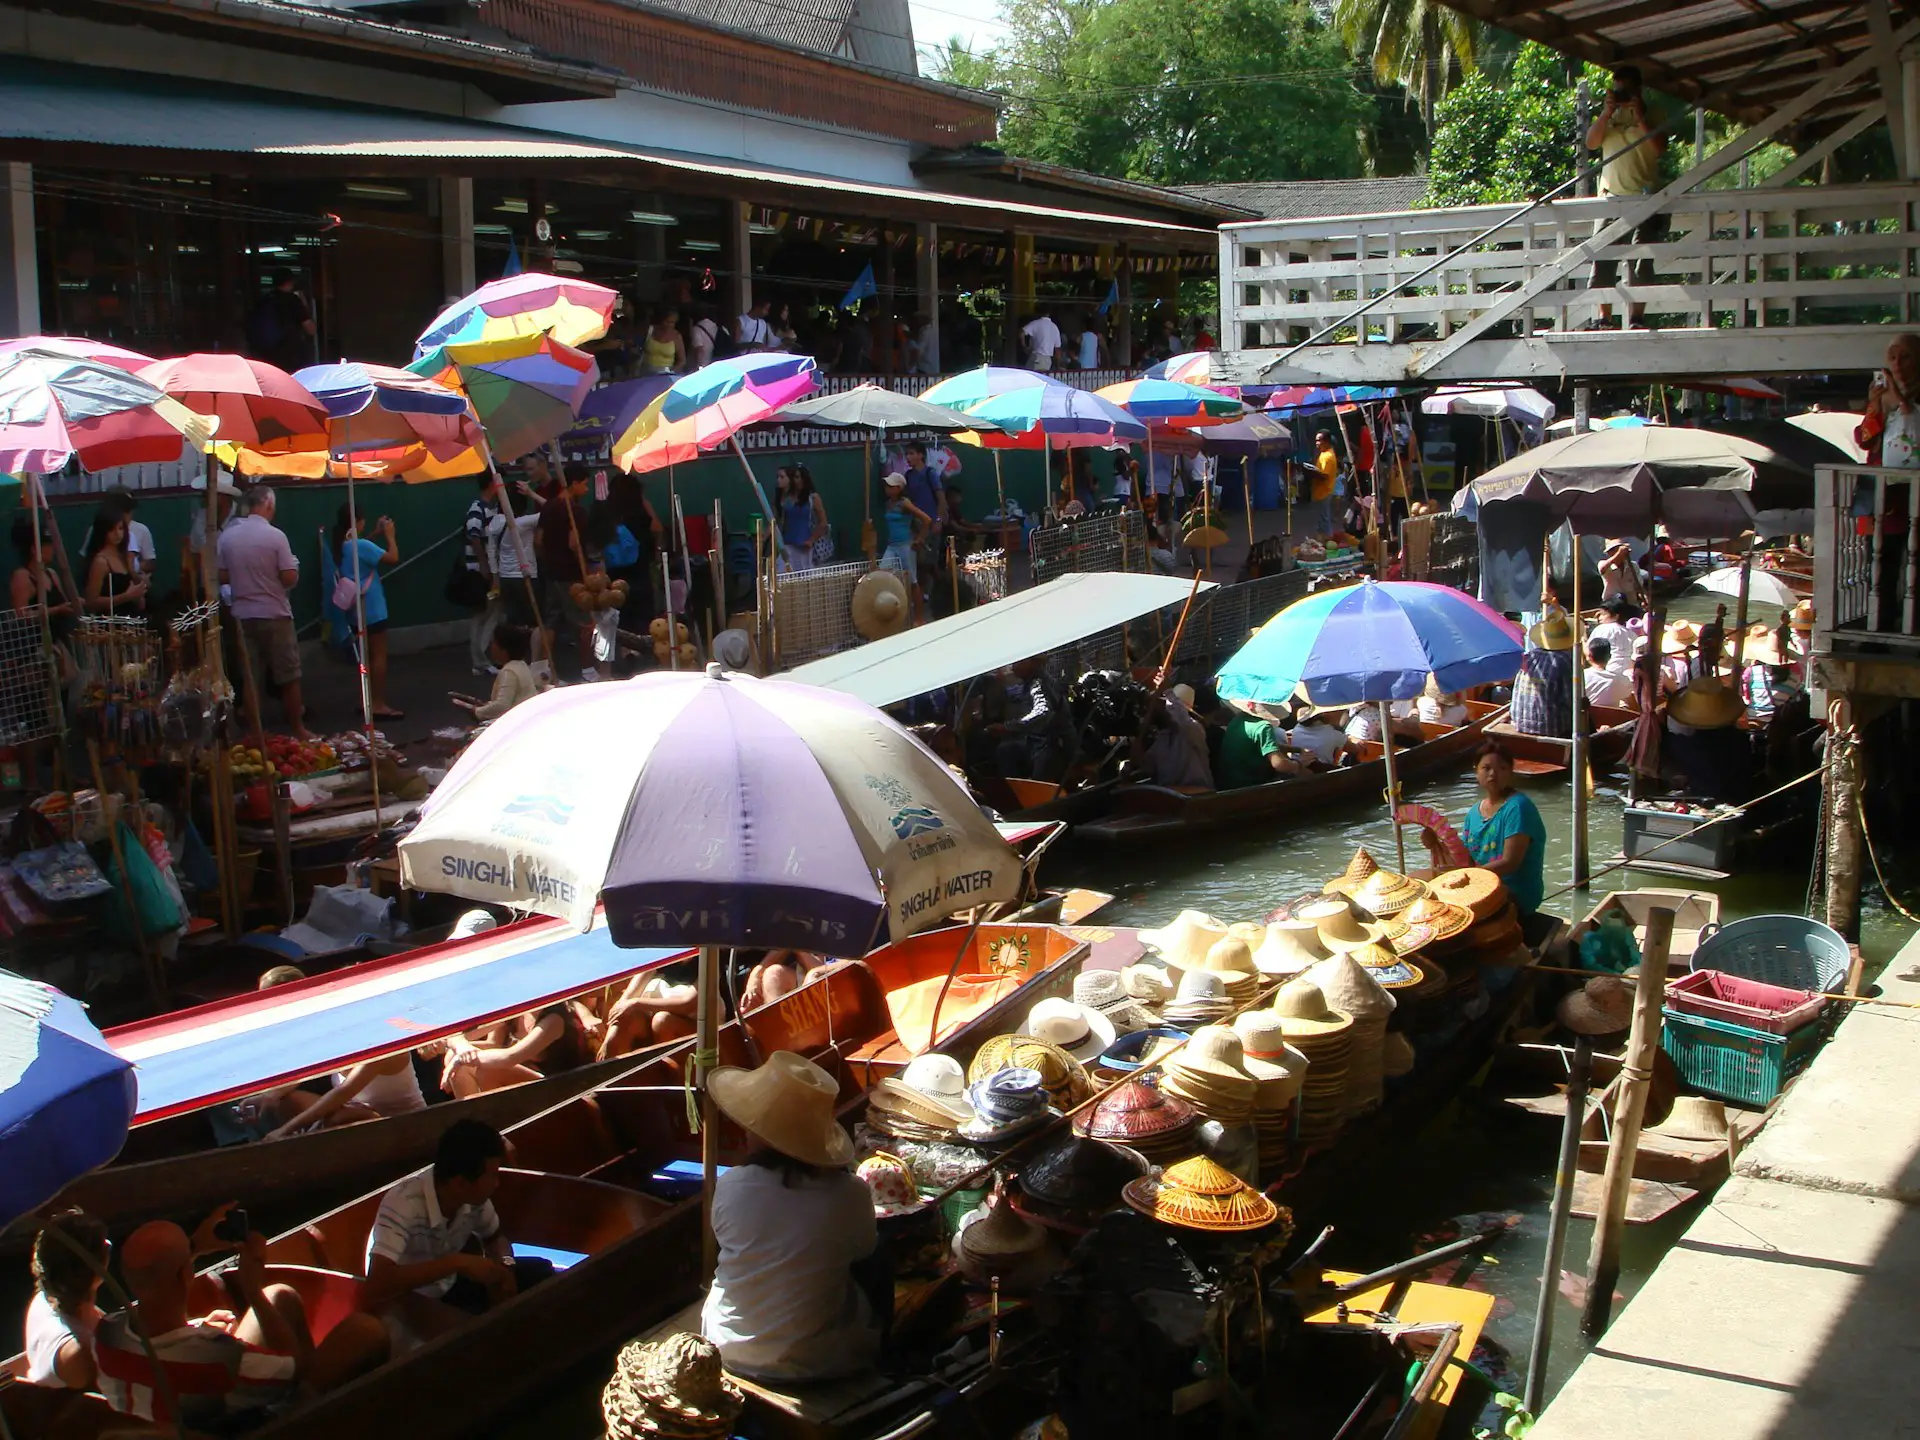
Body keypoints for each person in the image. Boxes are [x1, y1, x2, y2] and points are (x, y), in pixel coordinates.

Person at [94, 1206, 387, 1425]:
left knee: (280, 1296)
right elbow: (295, 1367)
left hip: (173, 1415)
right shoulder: (219, 1359)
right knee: (366, 1332)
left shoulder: (107, 1332)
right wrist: (252, 1290)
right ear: (187, 1275)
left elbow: (164, 1316)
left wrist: (194, 1249)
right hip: (242, 1429)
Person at [701, 1051, 882, 1381]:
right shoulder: (851, 1193)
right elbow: (865, 1253)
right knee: (875, 1263)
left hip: (726, 1347)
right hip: (816, 1363)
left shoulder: (731, 1185)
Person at [363, 1121, 545, 1344]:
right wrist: (456, 1263)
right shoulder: (403, 1204)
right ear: (460, 1183)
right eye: (493, 1176)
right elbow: (378, 1282)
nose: (497, 1184)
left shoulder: (474, 1198)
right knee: (474, 1333)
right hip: (410, 1300)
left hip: (449, 1285)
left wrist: (505, 1267)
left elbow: (495, 1237)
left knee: (541, 1272)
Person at [219, 485, 310, 739]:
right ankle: (298, 728)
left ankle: (255, 732)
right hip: (274, 612)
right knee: (288, 674)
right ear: (268, 504)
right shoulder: (275, 536)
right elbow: (289, 576)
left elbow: (222, 574)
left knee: (250, 676)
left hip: (242, 613)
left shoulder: (228, 537)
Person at [1584, 66, 1667, 330]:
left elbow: (1659, 148)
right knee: (1603, 258)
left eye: (1627, 89)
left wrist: (1639, 115)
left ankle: (1636, 319)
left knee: (1640, 262)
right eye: (1618, 89)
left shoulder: (1652, 114)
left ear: (1639, 89)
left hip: (1645, 196)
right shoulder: (1609, 116)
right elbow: (1591, 143)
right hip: (1611, 196)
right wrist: (1607, 112)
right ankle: (1604, 318)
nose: (1622, 94)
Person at [1461, 741, 1549, 915]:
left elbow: (1510, 863)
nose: (1493, 774)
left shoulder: (1518, 807)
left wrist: (1470, 878)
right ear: (1476, 772)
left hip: (1515, 894)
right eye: (1486, 768)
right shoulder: (1473, 813)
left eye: (1501, 768)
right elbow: (1465, 858)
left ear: (1510, 773)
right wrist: (1436, 844)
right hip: (1480, 887)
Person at [24, 1210, 108, 1390]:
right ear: (95, 1270)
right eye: (105, 1247)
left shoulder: (43, 1299)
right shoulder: (79, 1355)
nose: (108, 1246)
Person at [263, 1047, 425, 1141]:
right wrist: (268, 1097)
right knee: (290, 1100)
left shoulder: (386, 1048)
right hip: (354, 1118)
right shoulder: (334, 1042)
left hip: (401, 1127)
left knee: (341, 1117)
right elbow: (302, 1073)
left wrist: (285, 1130)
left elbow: (343, 1092)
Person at [333, 505, 403, 720]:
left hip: (355, 610)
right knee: (378, 656)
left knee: (364, 658)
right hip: (372, 608)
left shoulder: (342, 545)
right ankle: (378, 704)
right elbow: (393, 557)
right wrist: (390, 536)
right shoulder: (361, 545)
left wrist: (375, 533)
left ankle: (365, 699)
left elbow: (363, 550)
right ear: (359, 521)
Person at [438, 1001, 593, 1097]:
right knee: (453, 1054)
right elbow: (458, 1036)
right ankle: (470, 1119)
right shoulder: (516, 1010)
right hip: (523, 1086)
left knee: (490, 1068)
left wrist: (462, 1058)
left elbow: (509, 1057)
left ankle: (491, 1121)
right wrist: (460, 1048)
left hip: (559, 1089)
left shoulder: (555, 1019)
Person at [537, 463, 597, 682]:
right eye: (584, 484)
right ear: (574, 483)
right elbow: (573, 544)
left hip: (551, 573)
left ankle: (548, 672)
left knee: (550, 622)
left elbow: (538, 541)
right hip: (571, 575)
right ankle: (588, 670)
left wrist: (549, 559)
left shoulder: (549, 507)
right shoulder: (576, 511)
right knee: (584, 623)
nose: (587, 489)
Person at [991, 657, 1070, 782]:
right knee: (1005, 750)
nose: (1014, 665)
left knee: (1043, 768)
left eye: (1020, 661)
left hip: (1049, 744)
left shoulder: (1039, 684)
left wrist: (1008, 727)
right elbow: (1014, 694)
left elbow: (1041, 713)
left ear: (1033, 663)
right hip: (1032, 742)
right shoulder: (1027, 684)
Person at [600, 957, 700, 1055]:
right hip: (650, 1020)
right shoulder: (659, 951)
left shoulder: (711, 956)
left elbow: (686, 1003)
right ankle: (609, 1065)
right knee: (627, 1018)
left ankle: (668, 1067)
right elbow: (624, 1002)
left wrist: (636, 1004)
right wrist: (608, 1040)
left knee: (662, 1021)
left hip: (694, 1027)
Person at [1132, 684, 1213, 791]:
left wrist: (1166, 689)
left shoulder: (1193, 730)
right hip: (1171, 800)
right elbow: (1146, 767)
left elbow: (1180, 717)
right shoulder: (1160, 741)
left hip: (1198, 797)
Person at [453, 623, 539, 722]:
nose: (491, 646)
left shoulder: (509, 672)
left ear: (504, 650)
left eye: (494, 643)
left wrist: (477, 711)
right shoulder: (521, 665)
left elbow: (502, 705)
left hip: (516, 721)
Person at [462, 474, 503, 676]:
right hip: (480, 571)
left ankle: (482, 658)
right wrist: (484, 564)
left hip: (488, 569)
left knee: (490, 611)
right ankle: (480, 660)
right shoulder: (478, 507)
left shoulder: (491, 507)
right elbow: (474, 535)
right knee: (482, 613)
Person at [1512, 608, 1576, 738]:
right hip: (1552, 728)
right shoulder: (1564, 660)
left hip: (1519, 722)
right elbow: (1571, 701)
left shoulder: (1529, 656)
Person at [1861, 334, 1920, 469]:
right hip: (1884, 474)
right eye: (1892, 358)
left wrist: (1901, 400)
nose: (1897, 363)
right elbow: (1866, 442)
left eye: (1905, 357)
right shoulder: (1880, 391)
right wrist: (1874, 408)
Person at [877, 473, 930, 618]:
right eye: (886, 486)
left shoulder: (905, 503)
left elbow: (926, 519)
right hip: (892, 545)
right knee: (883, 573)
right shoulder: (888, 504)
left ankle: (919, 618)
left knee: (912, 581)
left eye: (890, 486)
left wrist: (919, 539)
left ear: (899, 488)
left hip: (906, 546)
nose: (887, 488)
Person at [81, 502, 148, 615]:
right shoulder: (101, 562)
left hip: (131, 622)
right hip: (111, 625)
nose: (117, 534)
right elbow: (91, 602)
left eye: (121, 528)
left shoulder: (124, 556)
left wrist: (139, 594)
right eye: (112, 530)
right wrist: (126, 597)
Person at [1217, 701, 1300, 788]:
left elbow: (1267, 746)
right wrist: (1298, 764)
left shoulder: (1238, 719)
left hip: (1229, 781)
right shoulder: (1263, 727)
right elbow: (1279, 764)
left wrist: (1295, 749)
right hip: (1250, 784)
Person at [249, 268, 317, 373]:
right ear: (290, 282)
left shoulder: (264, 300)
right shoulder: (293, 300)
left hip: (268, 353)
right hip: (291, 352)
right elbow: (310, 329)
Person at [777, 464, 827, 573]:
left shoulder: (813, 498)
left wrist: (811, 540)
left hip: (804, 548)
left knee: (804, 580)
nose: (795, 480)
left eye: (797, 477)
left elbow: (823, 523)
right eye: (793, 477)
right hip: (787, 546)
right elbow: (779, 520)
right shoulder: (786, 498)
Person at [1289, 705, 1354, 769]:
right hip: (1321, 773)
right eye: (1341, 711)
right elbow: (1354, 748)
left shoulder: (1297, 728)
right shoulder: (1333, 734)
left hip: (1297, 770)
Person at [1587, 598, 1638, 676]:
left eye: (1603, 614)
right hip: (1629, 671)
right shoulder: (1631, 633)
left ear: (1616, 616)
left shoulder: (1602, 628)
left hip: (1608, 670)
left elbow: (1589, 650)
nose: (1600, 617)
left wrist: (1583, 638)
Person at [1584, 637, 1635, 708]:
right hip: (1613, 718)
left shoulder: (1582, 677)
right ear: (1609, 657)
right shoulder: (1621, 680)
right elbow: (1630, 701)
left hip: (1587, 718)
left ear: (1589, 656)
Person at [1310, 430, 1340, 538]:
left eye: (1319, 441)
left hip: (1324, 492)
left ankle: (1328, 541)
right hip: (1320, 492)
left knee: (1324, 520)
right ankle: (1321, 542)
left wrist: (1310, 472)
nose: (1317, 443)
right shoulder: (1324, 453)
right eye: (1316, 441)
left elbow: (1324, 475)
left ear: (1326, 441)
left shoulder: (1328, 456)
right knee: (1321, 520)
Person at [641, 307, 686, 374]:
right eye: (667, 321)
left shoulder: (677, 336)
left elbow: (682, 360)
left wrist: (672, 372)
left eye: (673, 322)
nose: (670, 325)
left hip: (665, 373)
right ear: (661, 320)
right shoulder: (650, 330)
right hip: (645, 371)